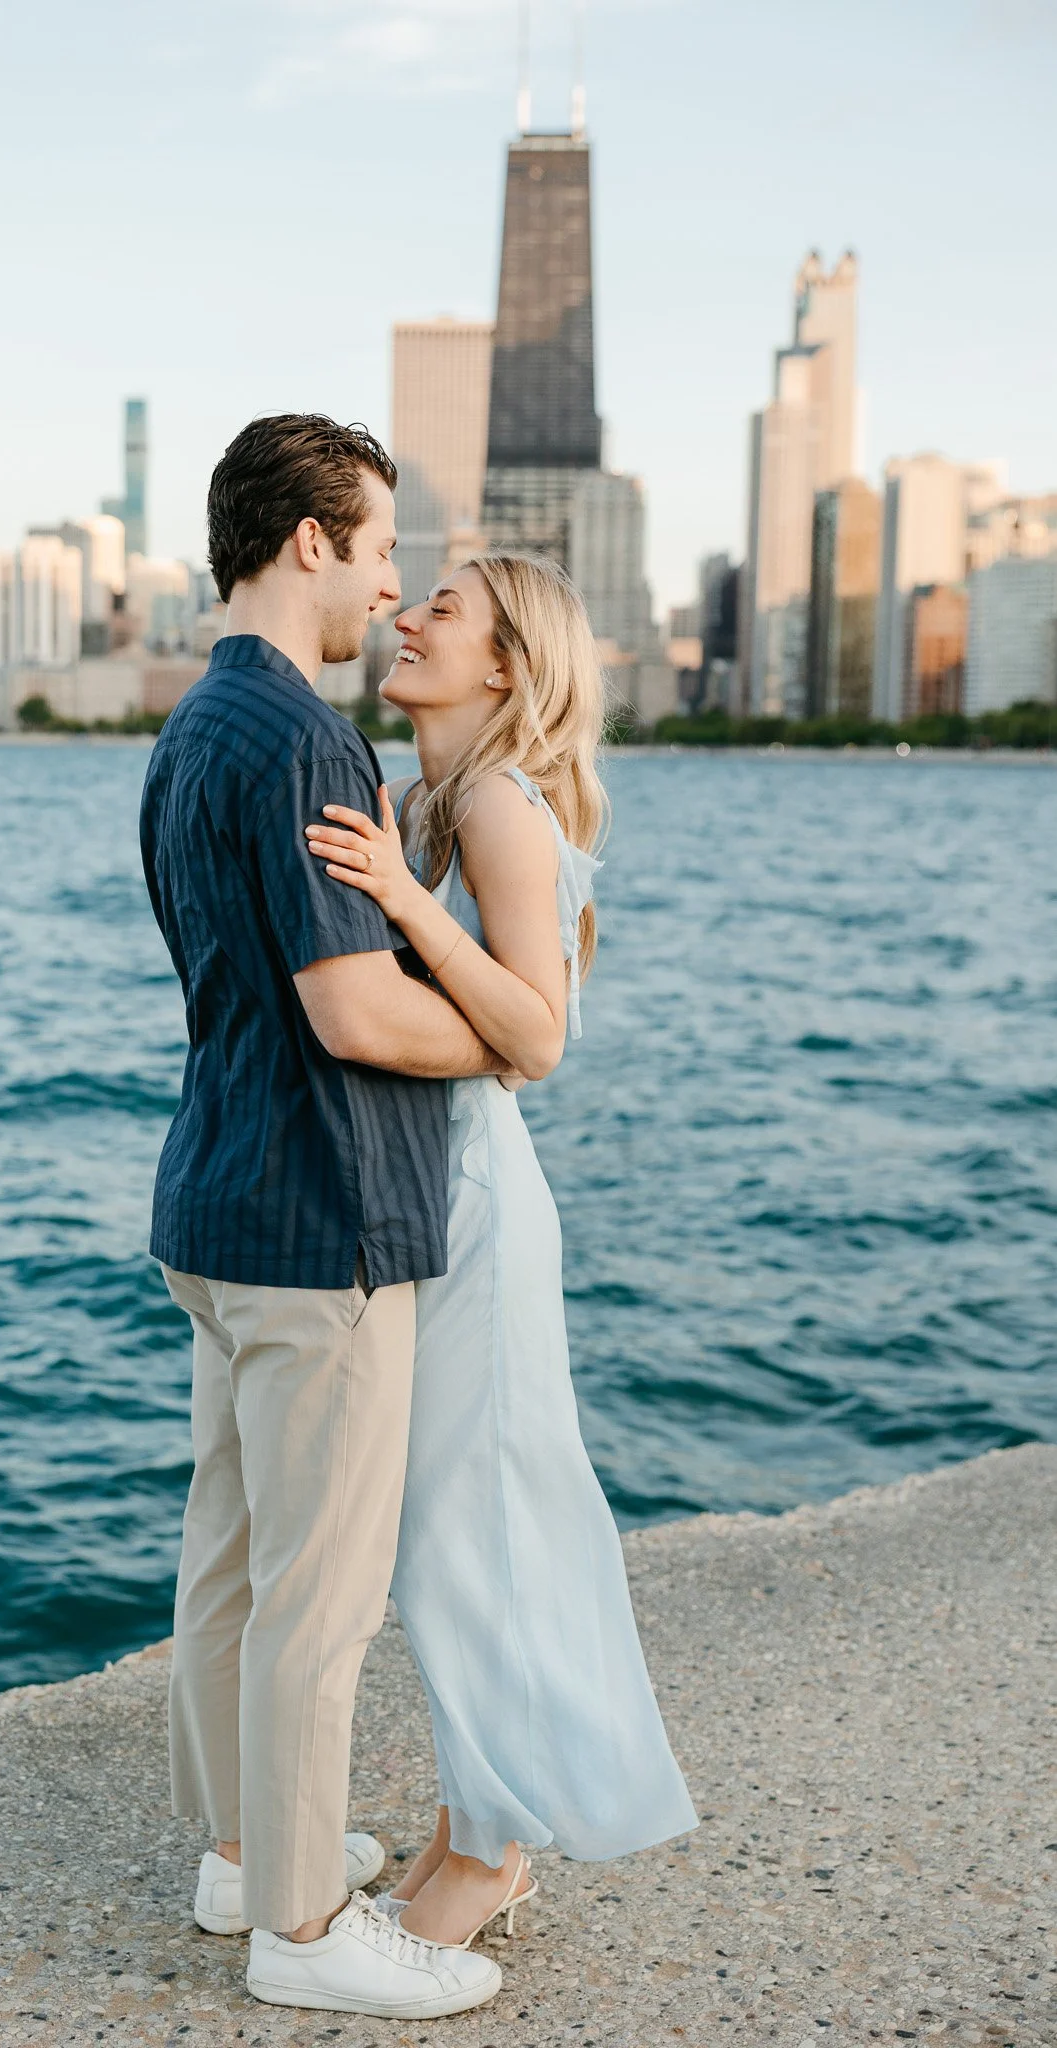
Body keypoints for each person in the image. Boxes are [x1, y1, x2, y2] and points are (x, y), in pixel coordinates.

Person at [138, 414, 506, 2020]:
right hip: (318, 1216)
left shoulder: (191, 725)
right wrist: (499, 1033)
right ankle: (299, 1927)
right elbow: (357, 1013)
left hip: (214, 1198)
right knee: (320, 1588)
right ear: (308, 543)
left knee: (228, 1558)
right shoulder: (301, 737)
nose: (386, 585)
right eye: (376, 550)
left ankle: (241, 1850)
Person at [303, 550, 699, 1947]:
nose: (409, 618)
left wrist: (406, 907)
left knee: (475, 1527)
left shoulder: (500, 809)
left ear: (507, 666)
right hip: (435, 1192)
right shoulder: (428, 799)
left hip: (476, 1197)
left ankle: (496, 1841)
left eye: (445, 609)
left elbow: (539, 1036)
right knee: (446, 1526)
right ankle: (478, 1810)